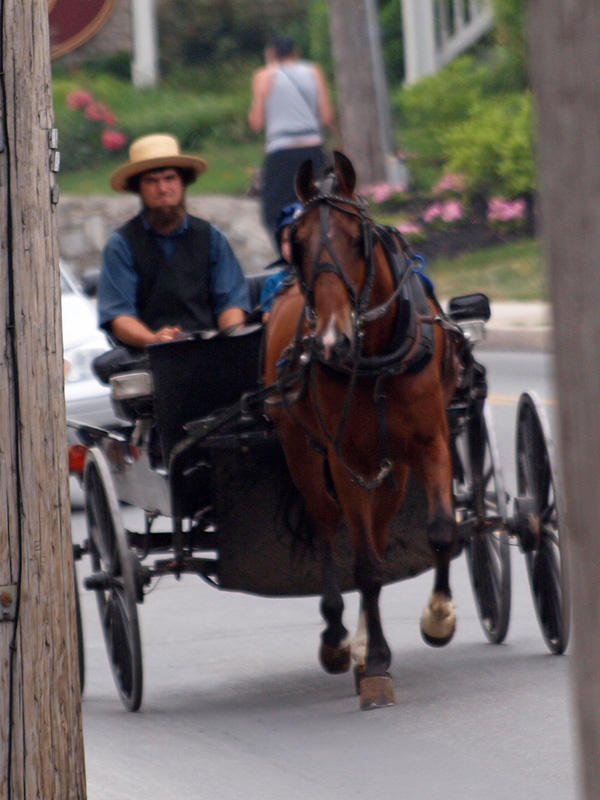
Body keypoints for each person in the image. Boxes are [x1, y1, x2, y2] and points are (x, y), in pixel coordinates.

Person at [98, 133, 250, 349]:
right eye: (151, 181)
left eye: (170, 178)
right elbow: (119, 315)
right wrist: (153, 340)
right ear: (139, 188)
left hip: (209, 348)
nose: (162, 189)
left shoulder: (211, 237)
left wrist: (230, 339)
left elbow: (231, 303)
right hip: (148, 359)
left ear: (182, 183)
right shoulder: (121, 244)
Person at [248, 35, 334, 239]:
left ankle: (288, 255)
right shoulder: (313, 71)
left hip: (282, 152)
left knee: (273, 213)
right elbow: (327, 117)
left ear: (271, 52)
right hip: (313, 149)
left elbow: (257, 123)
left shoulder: (264, 75)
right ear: (295, 52)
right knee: (314, 207)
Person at [259, 201, 302, 321]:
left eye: (297, 239)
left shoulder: (322, 280)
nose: (291, 246)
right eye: (285, 241)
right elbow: (268, 319)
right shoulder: (274, 282)